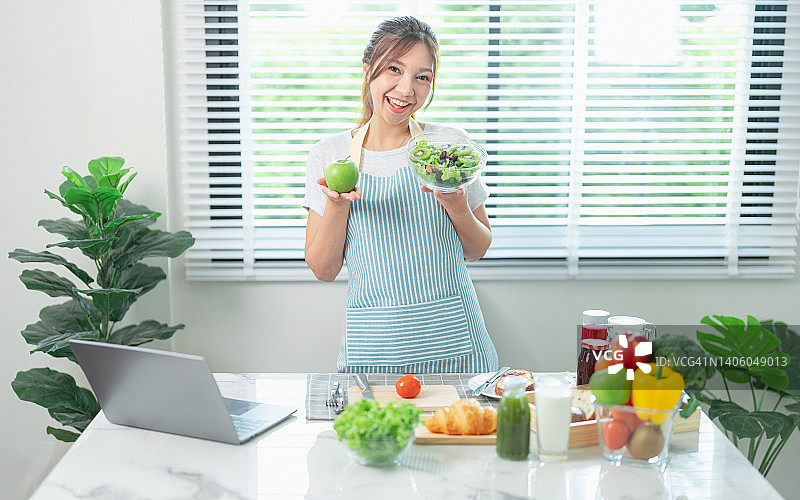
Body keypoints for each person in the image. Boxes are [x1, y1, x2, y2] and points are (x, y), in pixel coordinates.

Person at [303, 16, 499, 374]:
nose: (407, 89)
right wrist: (335, 203)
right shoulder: (331, 155)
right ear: (368, 70)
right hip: (375, 347)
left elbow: (477, 249)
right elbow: (323, 269)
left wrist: (455, 204)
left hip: (454, 343)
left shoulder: (447, 148)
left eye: (422, 77)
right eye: (394, 69)